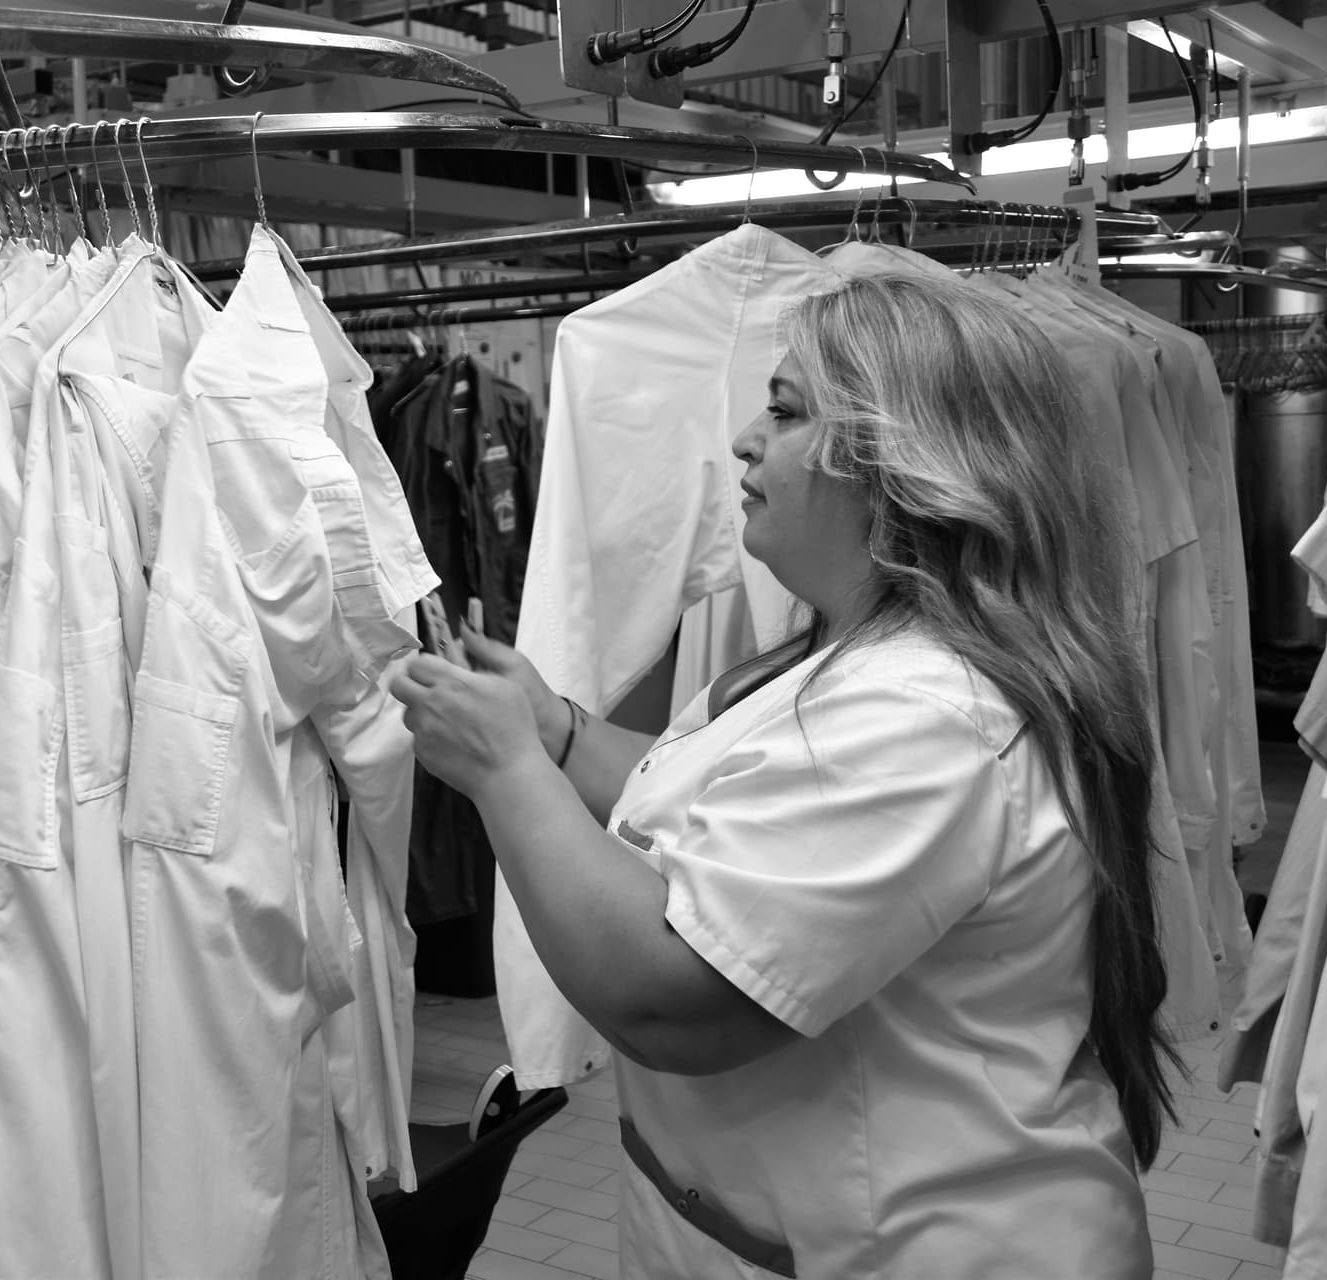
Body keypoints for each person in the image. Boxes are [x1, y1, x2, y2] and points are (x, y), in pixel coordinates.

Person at [391, 272, 1180, 1279]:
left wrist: (503, 768)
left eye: (787, 409)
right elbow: (732, 811)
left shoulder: (925, 716)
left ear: (901, 462)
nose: (744, 439)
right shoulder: (863, 657)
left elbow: (669, 996)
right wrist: (554, 731)